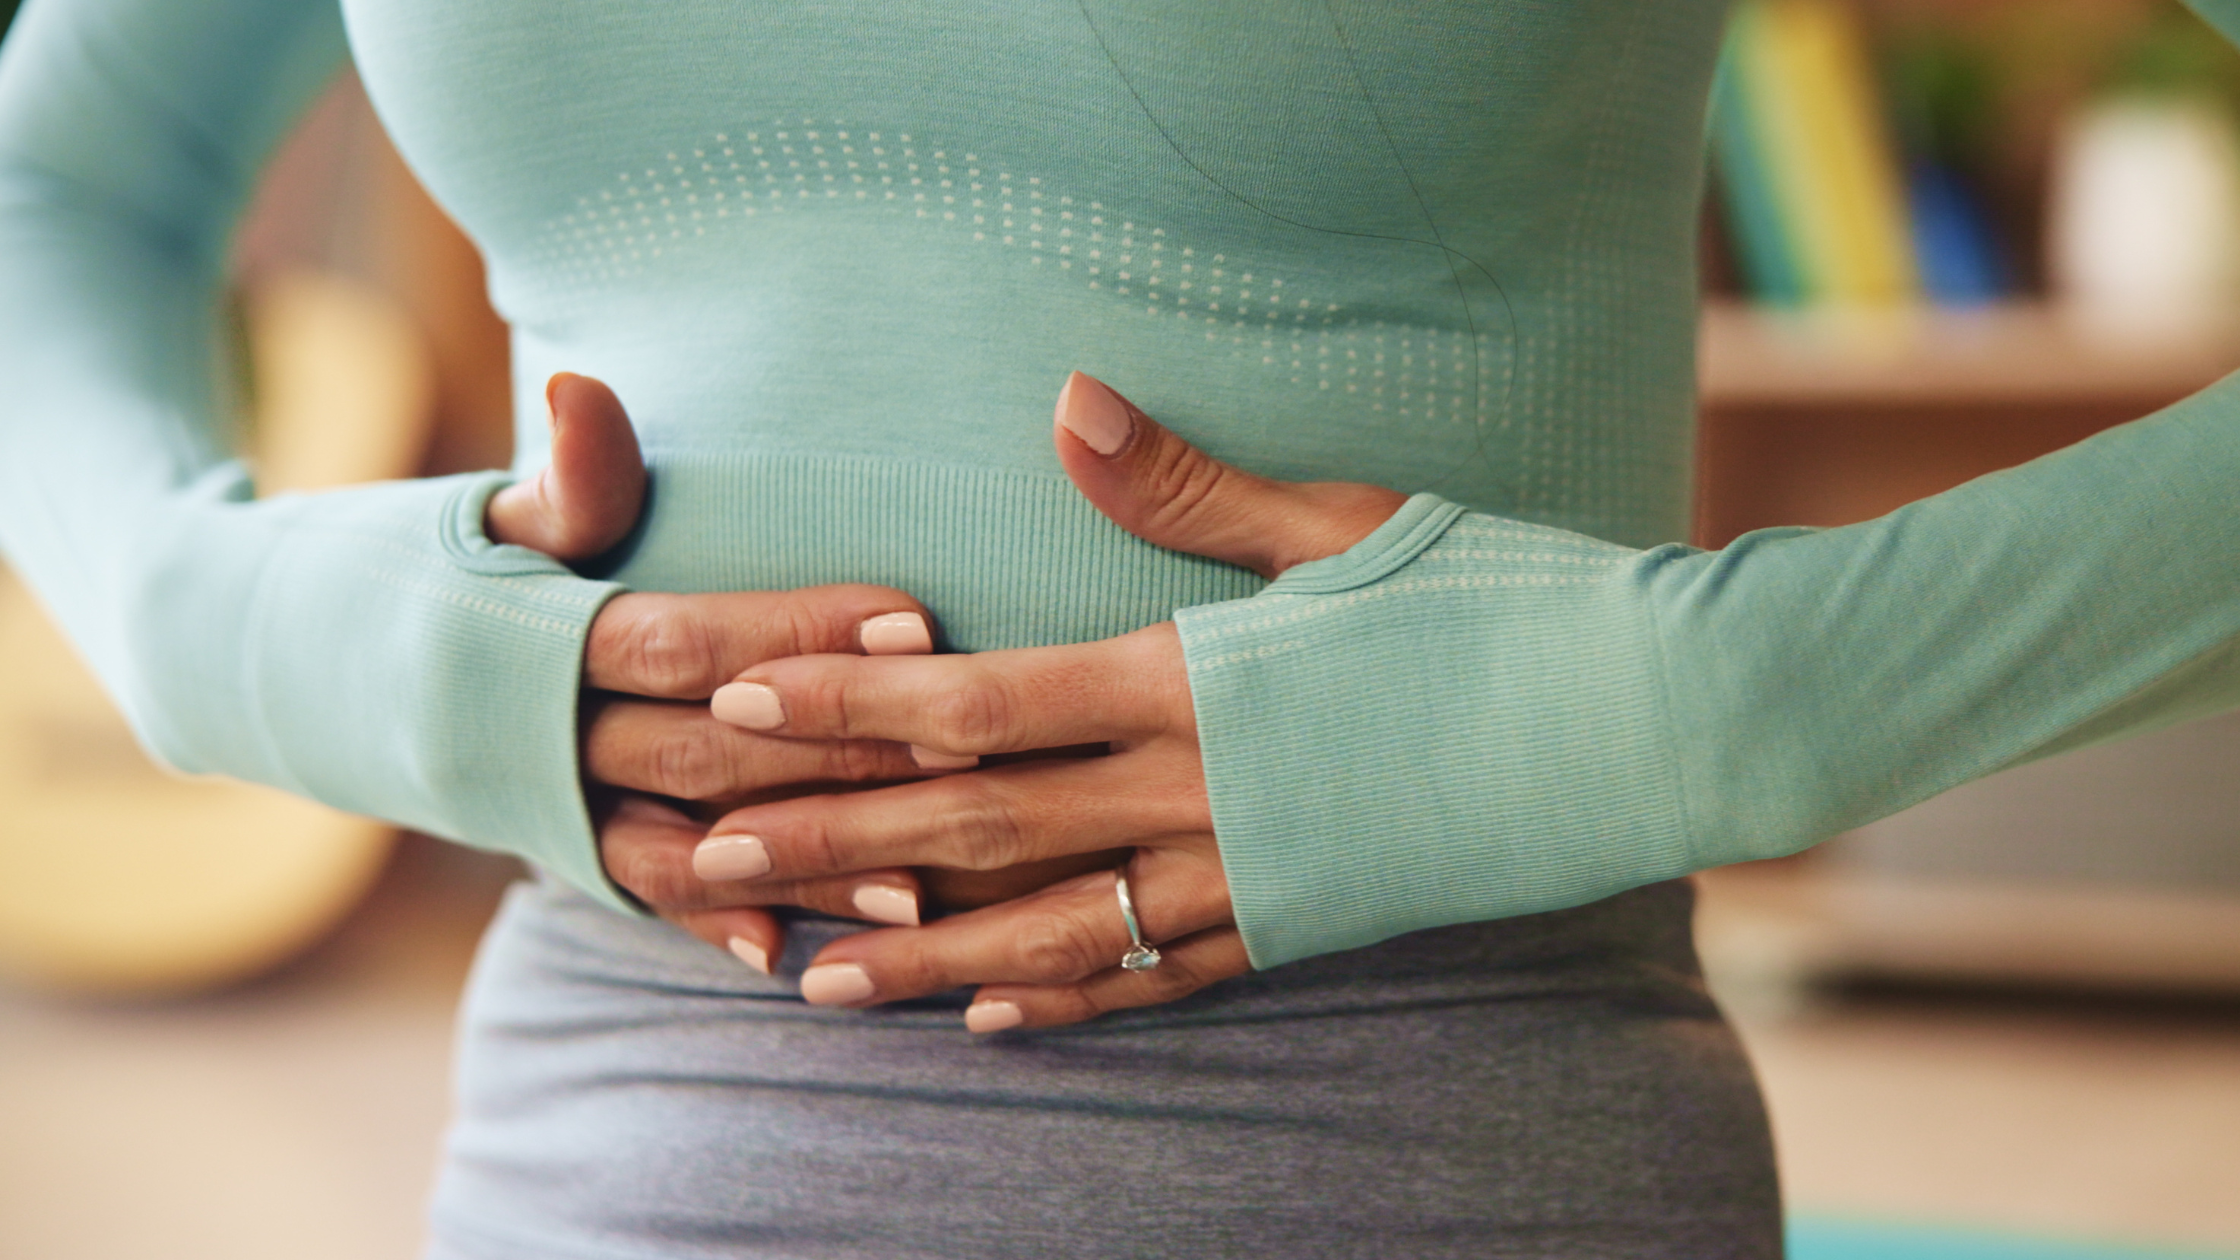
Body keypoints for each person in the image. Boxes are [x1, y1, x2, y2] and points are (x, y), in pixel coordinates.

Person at [3, 0, 2237, 1255]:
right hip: (613, 1155)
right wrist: (240, 633)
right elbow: (51, 181)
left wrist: (1710, 703)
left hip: (1428, 1153)